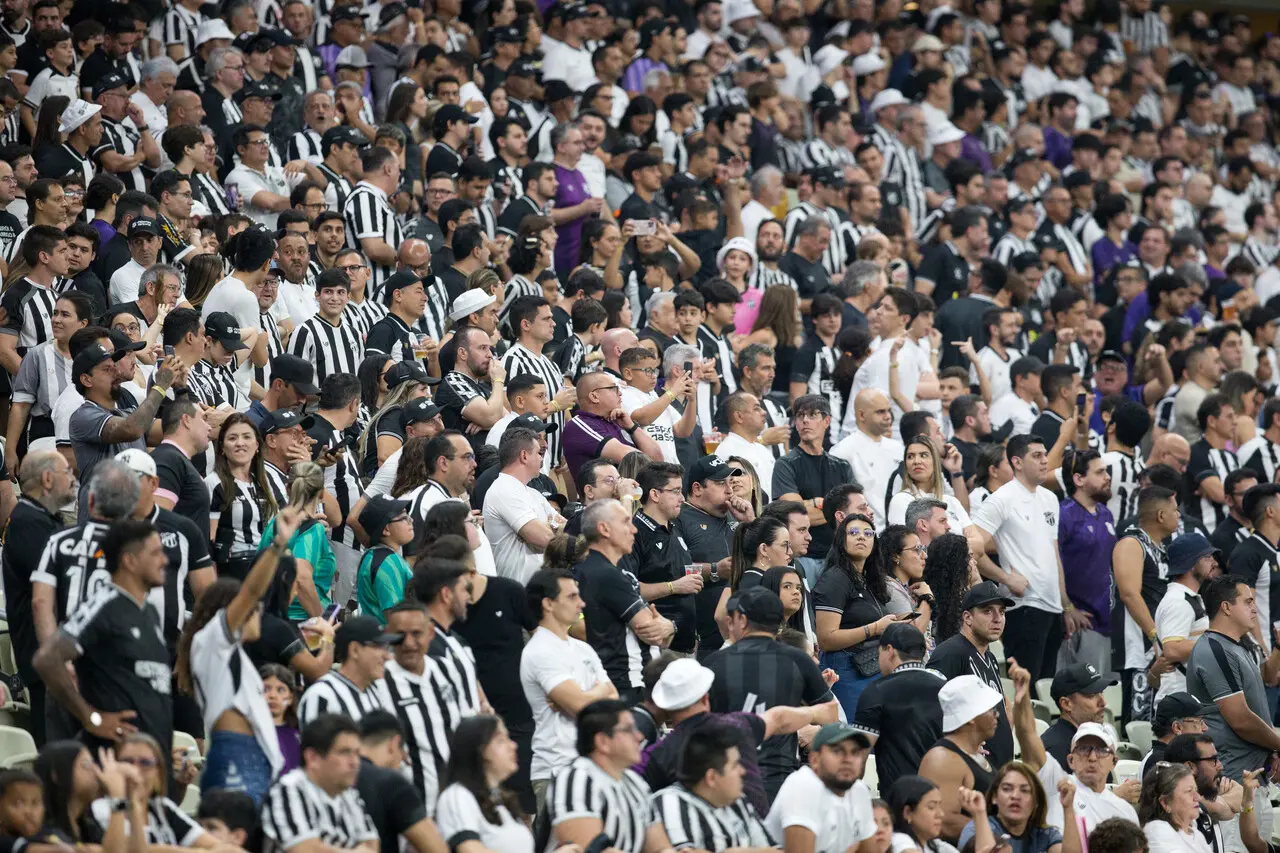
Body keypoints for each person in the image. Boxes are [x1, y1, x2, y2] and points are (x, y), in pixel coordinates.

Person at [176, 506, 301, 802]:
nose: (258, 610)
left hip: (252, 759)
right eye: (253, 608)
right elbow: (251, 592)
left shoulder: (229, 653)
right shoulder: (212, 641)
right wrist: (278, 545)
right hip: (236, 758)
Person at [33, 516, 176, 760]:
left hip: (149, 761)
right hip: (113, 763)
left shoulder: (149, 612)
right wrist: (92, 718)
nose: (165, 560)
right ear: (130, 561)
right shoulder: (103, 605)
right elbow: (46, 659)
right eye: (155, 553)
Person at [706, 586, 839, 800]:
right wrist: (799, 718)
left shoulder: (714, 662)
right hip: (781, 782)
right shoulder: (798, 660)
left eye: (732, 618)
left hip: (726, 781)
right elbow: (831, 714)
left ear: (742, 620)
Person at [972, 434, 1079, 684]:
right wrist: (1005, 578)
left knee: (1047, 688)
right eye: (1037, 456)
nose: (1045, 461)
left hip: (1052, 606)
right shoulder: (1001, 498)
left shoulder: (1049, 498)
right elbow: (971, 548)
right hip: (1024, 606)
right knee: (1025, 687)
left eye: (1045, 455)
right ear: (1017, 462)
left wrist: (1065, 604)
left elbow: (1054, 554)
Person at [1185, 574, 1280, 837]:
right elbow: (1240, 719)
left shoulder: (1238, 647)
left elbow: (1255, 711)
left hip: (1252, 782)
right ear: (1226, 607)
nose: (1255, 608)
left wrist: (1271, 750)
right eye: (1248, 601)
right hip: (1230, 786)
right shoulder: (1214, 649)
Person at [520, 569, 616, 812]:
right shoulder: (540, 650)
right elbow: (582, 707)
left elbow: (613, 700)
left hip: (592, 766)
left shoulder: (583, 649)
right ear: (548, 604)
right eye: (572, 596)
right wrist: (596, 694)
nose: (581, 603)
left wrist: (585, 697)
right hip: (556, 768)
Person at [1008, 660, 1139, 834]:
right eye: (1092, 695)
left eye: (1101, 751)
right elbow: (1027, 736)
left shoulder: (1124, 810)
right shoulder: (1055, 748)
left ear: (1113, 760)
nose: (1103, 702)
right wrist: (1023, 700)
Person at [3, 450, 76, 745]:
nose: (73, 479)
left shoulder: (41, 519)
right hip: (46, 662)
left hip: (52, 658)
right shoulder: (29, 523)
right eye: (66, 472)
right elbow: (55, 588)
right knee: (55, 750)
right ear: (47, 479)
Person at [573, 499, 675, 703]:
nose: (634, 530)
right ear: (604, 529)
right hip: (629, 683)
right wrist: (671, 626)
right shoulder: (608, 575)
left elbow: (662, 636)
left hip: (615, 681)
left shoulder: (588, 569)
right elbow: (654, 634)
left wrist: (667, 628)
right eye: (626, 522)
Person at [927, 582, 1015, 770]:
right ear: (967, 617)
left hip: (997, 770)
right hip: (969, 770)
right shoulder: (950, 653)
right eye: (987, 611)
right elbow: (929, 710)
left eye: (1002, 612)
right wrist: (959, 748)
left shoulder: (990, 657)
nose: (997, 619)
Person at [259, 714, 379, 853]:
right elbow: (304, 849)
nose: (355, 762)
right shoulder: (288, 789)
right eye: (344, 752)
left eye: (357, 753)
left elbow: (372, 846)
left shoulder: (349, 795)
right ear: (313, 757)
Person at [649, 721, 774, 850]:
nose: (742, 771)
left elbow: (776, 850)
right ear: (712, 778)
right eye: (735, 765)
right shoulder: (671, 802)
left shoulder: (737, 801)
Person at [854, 622, 945, 796]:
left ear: (889, 650)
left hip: (899, 799)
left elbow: (859, 754)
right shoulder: (945, 688)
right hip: (940, 798)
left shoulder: (877, 691)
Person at [774, 394, 856, 583]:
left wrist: (815, 505)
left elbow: (853, 514)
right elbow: (793, 516)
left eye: (812, 415)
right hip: (803, 557)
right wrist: (835, 509)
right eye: (800, 415)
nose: (805, 420)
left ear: (826, 421)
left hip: (838, 557)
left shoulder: (842, 466)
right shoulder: (785, 464)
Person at [765, 721, 877, 853]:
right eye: (837, 751)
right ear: (814, 760)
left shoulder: (858, 790)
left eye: (855, 753)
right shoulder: (803, 787)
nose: (848, 759)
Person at [354, 712, 446, 853]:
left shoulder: (328, 778)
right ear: (393, 743)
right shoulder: (391, 783)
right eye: (402, 749)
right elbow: (437, 850)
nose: (404, 758)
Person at [1152, 534, 1219, 703]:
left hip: (1188, 699)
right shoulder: (1178, 601)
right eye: (1207, 557)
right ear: (1190, 563)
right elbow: (1173, 649)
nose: (1215, 563)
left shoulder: (1187, 598)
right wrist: (1220, 642)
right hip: (1180, 702)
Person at [296, 616, 396, 726]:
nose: (387, 656)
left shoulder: (376, 691)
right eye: (378, 647)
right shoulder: (322, 695)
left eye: (386, 648)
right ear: (355, 650)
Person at [957, 762, 1069, 853]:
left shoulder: (1045, 835)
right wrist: (979, 813)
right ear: (994, 797)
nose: (1015, 796)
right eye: (1007, 789)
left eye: (1025, 790)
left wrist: (1068, 808)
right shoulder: (976, 829)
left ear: (1036, 801)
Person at [1040, 663, 1118, 769]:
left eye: (1101, 692)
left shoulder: (1092, 741)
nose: (1103, 702)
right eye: (1092, 695)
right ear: (1066, 704)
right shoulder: (1056, 750)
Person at [353, 494, 416, 622]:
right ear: (386, 529)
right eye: (404, 517)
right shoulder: (387, 563)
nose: (411, 520)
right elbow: (395, 617)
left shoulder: (374, 555)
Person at [1139, 763, 1212, 853]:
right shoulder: (1156, 831)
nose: (1197, 797)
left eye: (1196, 790)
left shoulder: (1194, 833)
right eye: (1189, 791)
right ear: (1165, 802)